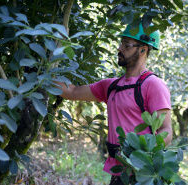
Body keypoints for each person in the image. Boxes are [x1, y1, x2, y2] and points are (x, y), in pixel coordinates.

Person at [55, 23, 172, 185]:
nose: (120, 48)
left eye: (127, 45)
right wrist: (38, 76)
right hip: (118, 173)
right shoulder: (111, 86)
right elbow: (72, 92)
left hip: (143, 174)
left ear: (143, 49)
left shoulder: (153, 85)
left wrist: (139, 157)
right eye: (121, 43)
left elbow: (166, 131)